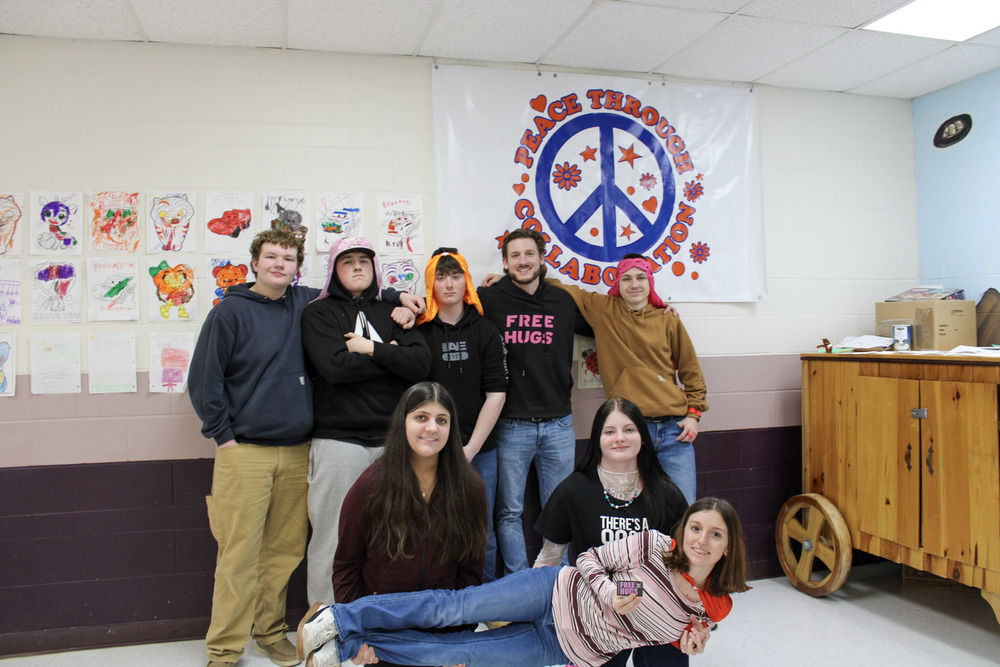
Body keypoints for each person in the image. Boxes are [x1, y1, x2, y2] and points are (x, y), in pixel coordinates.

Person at [296, 498, 749, 667]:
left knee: (459, 655)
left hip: (562, 649)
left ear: (728, 547)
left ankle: (346, 649)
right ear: (683, 529)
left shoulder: (704, 609)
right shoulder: (652, 545)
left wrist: (691, 645)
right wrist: (612, 591)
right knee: (453, 608)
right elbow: (590, 559)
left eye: (715, 534)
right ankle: (340, 617)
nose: (702, 540)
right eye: (696, 528)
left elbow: (670, 638)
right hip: (551, 591)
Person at [189, 228, 317, 667]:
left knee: (283, 553)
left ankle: (269, 632)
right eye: (271, 257)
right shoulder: (229, 313)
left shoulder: (308, 305)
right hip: (244, 451)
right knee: (239, 554)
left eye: (288, 258)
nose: (279, 264)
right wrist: (223, 437)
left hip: (298, 450)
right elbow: (203, 382)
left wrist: (402, 297)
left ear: (298, 267)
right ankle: (224, 649)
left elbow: (358, 288)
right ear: (255, 263)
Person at [301, 236, 431, 605]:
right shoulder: (318, 314)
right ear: (333, 271)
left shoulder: (397, 312)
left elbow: (420, 366)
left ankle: (385, 619)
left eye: (364, 261)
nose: (357, 267)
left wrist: (368, 349)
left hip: (393, 445)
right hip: (339, 443)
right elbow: (334, 368)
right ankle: (325, 626)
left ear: (374, 268)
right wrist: (391, 356)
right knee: (332, 537)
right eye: (347, 262)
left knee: (398, 536)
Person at [324, 381, 487, 667]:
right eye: (421, 417)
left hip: (443, 635)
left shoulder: (470, 487)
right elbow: (346, 565)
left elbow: (471, 569)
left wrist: (460, 637)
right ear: (404, 422)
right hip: (384, 636)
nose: (431, 428)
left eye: (442, 420)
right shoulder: (372, 485)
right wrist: (358, 632)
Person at [534, 397, 690, 666]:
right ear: (597, 439)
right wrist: (533, 609)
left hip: (655, 607)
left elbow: (685, 568)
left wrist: (695, 621)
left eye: (629, 430)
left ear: (642, 436)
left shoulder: (666, 492)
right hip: (596, 609)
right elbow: (548, 559)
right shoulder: (573, 490)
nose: (620, 438)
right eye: (609, 431)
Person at [545, 253, 707, 504]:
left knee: (683, 508)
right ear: (617, 284)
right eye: (627, 278)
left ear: (650, 282)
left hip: (674, 432)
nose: (634, 284)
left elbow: (691, 371)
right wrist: (508, 278)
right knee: (633, 509)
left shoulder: (668, 319)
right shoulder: (603, 310)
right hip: (631, 430)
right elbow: (560, 287)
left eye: (641, 277)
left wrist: (693, 415)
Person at [477, 228, 591, 574]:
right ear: (505, 263)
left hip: (558, 423)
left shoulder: (562, 301)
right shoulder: (489, 298)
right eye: (515, 256)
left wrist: (661, 311)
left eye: (529, 254)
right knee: (509, 512)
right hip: (511, 424)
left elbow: (612, 322)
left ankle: (557, 585)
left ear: (542, 259)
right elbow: (445, 302)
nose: (523, 261)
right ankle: (518, 586)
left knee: (559, 510)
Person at [414, 248, 506, 581]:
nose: (449, 284)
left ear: (466, 281)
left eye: (456, 276)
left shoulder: (485, 330)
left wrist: (470, 449)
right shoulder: (419, 331)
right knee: (432, 527)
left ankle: (488, 601)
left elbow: (496, 394)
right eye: (441, 277)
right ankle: (441, 601)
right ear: (430, 283)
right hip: (429, 450)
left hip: (479, 450)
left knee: (482, 529)